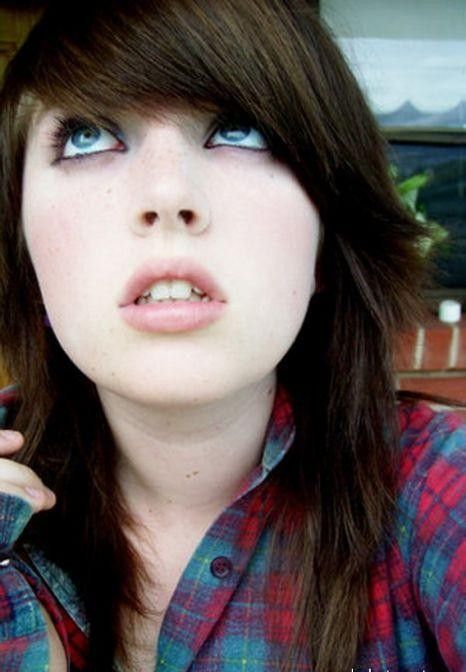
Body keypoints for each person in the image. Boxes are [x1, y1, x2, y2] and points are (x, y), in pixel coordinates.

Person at [0, 0, 465, 670]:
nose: (166, 194)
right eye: (88, 136)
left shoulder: (440, 486)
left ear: (327, 242)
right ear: (24, 248)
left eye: (240, 130)